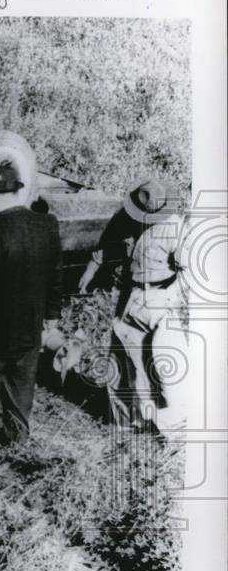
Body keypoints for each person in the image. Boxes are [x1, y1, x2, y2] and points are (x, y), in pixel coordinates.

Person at [0, 162, 63, 447]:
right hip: (30, 325)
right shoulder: (47, 226)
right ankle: (18, 437)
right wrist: (51, 316)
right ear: (18, 191)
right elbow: (56, 276)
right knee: (22, 384)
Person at [78, 179, 187, 437]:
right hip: (130, 295)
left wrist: (171, 299)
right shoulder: (126, 218)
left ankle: (168, 428)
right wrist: (90, 271)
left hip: (160, 298)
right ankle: (125, 421)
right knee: (120, 359)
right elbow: (105, 246)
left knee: (157, 367)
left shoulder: (175, 228)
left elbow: (188, 270)